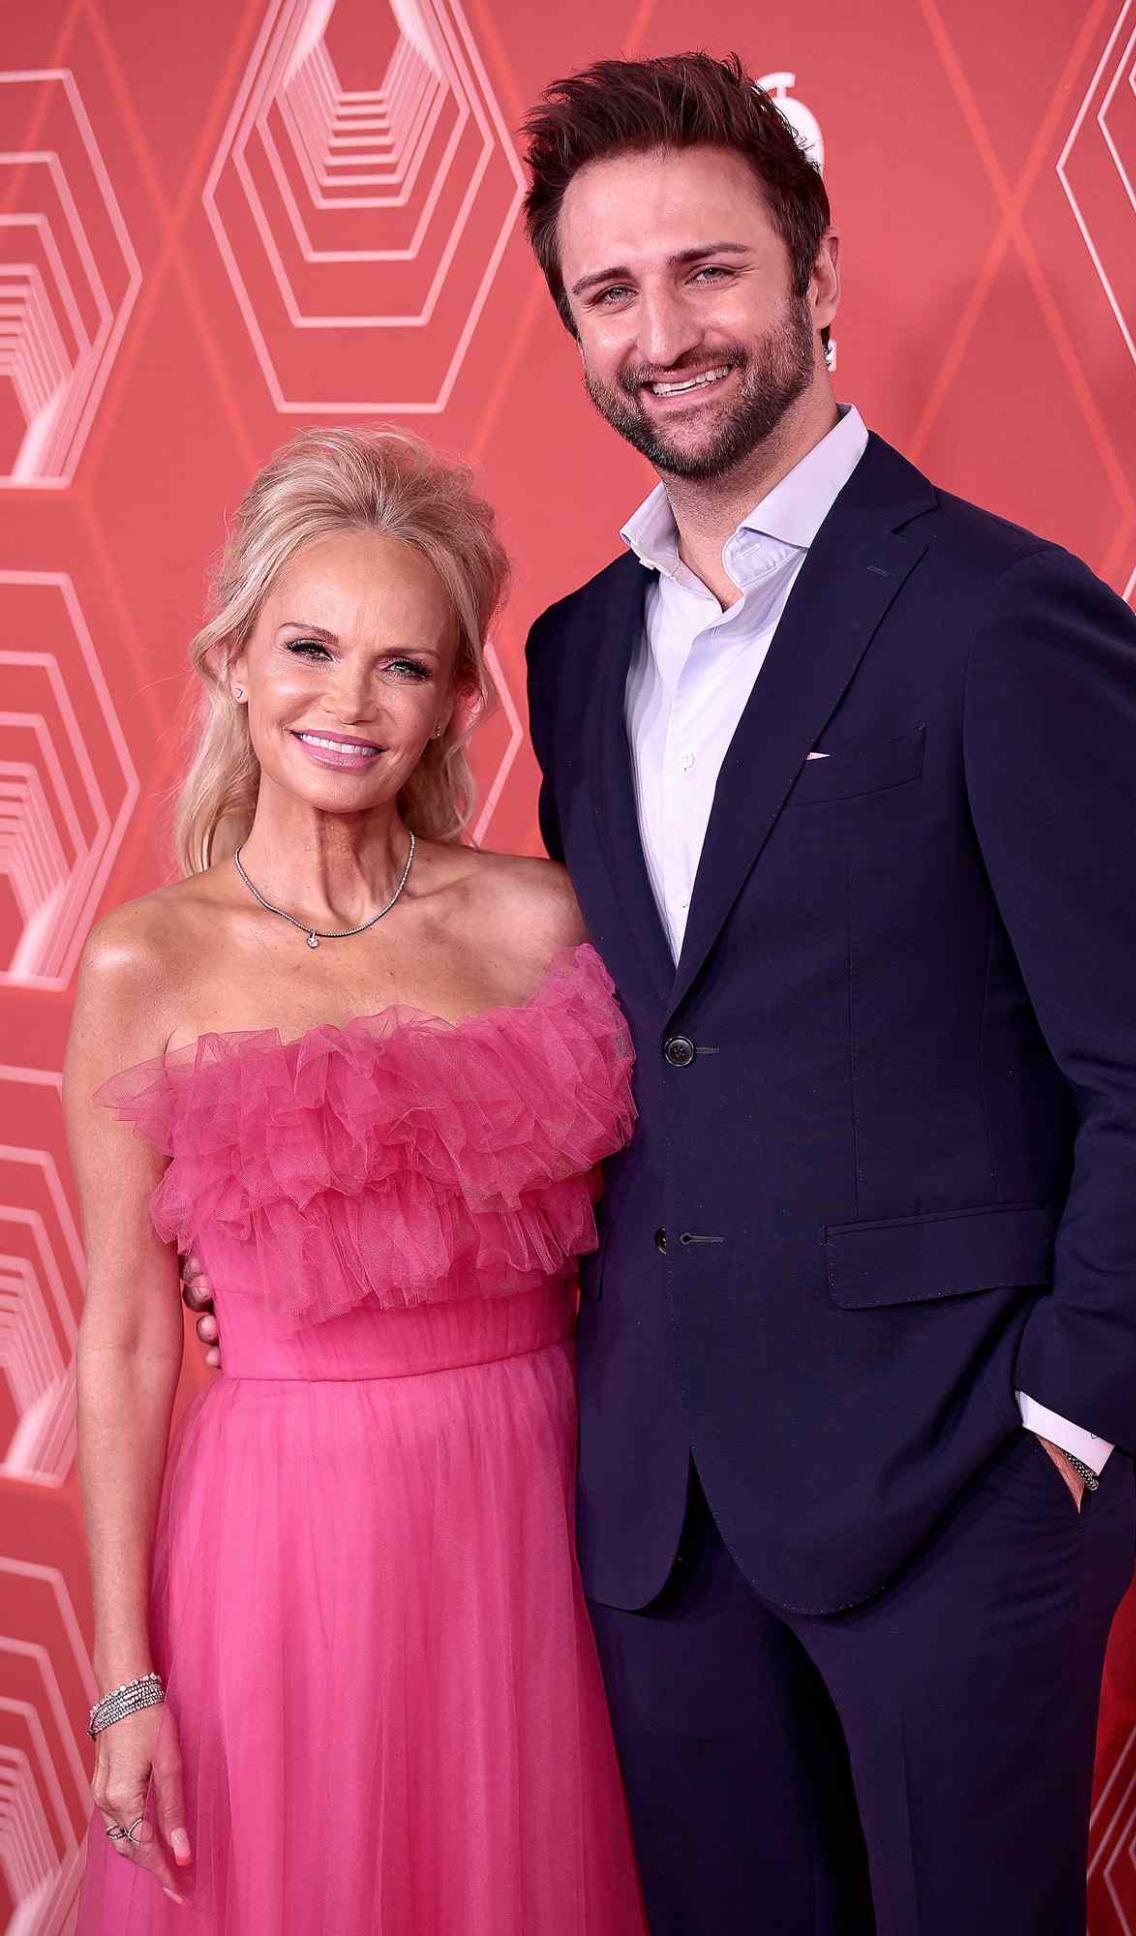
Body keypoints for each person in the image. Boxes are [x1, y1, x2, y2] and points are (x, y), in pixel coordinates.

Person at [184, 52, 1136, 1935]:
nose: (661, 332)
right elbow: (630, 1040)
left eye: (709, 272)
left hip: (955, 1484)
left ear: (816, 277)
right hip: (659, 1496)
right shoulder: (578, 651)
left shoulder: (1004, 616)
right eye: (610, 292)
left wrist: (1068, 1422)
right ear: (571, 329)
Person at [66, 428, 647, 1933]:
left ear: (459, 698)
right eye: (309, 647)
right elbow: (126, 1339)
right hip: (283, 1537)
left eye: (403, 664)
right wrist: (123, 1676)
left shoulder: (543, 920)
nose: (348, 700)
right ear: (235, 663)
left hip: (540, 1515)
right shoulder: (147, 959)